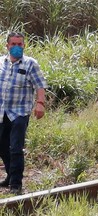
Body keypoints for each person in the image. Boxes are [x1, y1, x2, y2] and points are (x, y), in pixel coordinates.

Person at [0, 32, 48, 195]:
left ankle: (16, 184)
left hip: (20, 113)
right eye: (13, 44)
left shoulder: (30, 64)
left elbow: (40, 85)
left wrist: (40, 104)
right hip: (2, 112)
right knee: (2, 146)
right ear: (7, 46)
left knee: (15, 148)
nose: (16, 47)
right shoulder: (1, 62)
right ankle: (10, 175)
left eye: (19, 44)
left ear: (24, 46)